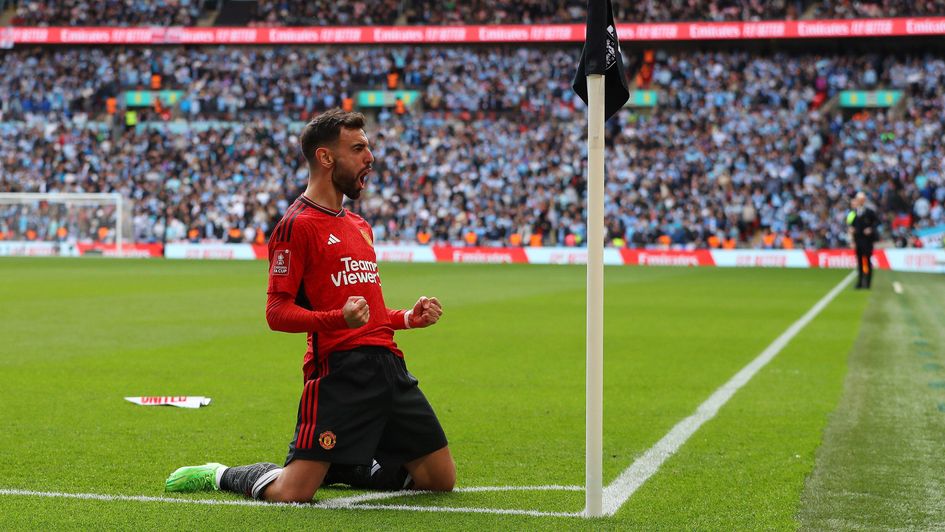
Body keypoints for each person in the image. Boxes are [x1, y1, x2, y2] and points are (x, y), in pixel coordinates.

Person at [164, 109, 456, 502]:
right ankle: (221, 474)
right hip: (339, 372)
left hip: (389, 366)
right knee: (293, 492)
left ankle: (342, 464)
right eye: (358, 148)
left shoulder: (359, 226)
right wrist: (337, 318)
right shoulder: (296, 225)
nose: (369, 156)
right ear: (325, 157)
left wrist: (407, 318)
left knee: (440, 479)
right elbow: (277, 311)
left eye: (368, 147)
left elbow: (368, 313)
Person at [847, 191, 879, 289]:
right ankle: (860, 282)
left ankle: (868, 283)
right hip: (858, 240)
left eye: (862, 199)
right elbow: (850, 225)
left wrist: (871, 229)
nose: (860, 201)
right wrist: (851, 236)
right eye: (859, 199)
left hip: (867, 241)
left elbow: (877, 222)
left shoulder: (870, 212)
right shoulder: (853, 213)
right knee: (860, 262)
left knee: (867, 261)